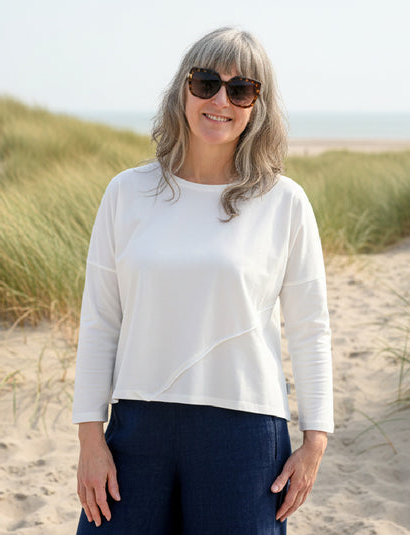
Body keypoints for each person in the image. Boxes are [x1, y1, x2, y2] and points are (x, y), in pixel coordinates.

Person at [72, 26, 334, 534]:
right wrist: (89, 437)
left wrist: (315, 440)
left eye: (241, 89)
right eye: (206, 82)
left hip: (245, 433)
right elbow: (100, 320)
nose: (221, 100)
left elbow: (310, 328)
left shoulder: (284, 203)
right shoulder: (127, 193)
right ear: (182, 90)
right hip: (137, 429)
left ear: (258, 105)